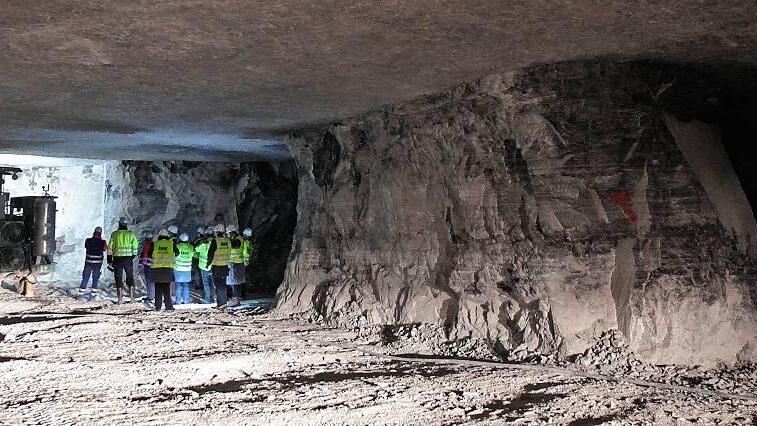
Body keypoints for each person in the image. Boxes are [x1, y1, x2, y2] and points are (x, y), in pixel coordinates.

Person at [108, 217, 139, 304]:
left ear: (119, 224)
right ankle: (132, 298)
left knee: (118, 278)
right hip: (128, 259)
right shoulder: (130, 234)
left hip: (117, 259)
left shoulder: (114, 234)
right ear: (126, 225)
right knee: (130, 278)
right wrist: (132, 257)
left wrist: (109, 260)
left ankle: (120, 299)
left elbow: (110, 248)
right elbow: (135, 247)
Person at [150, 229, 179, 311]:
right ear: (167, 236)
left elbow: (149, 254)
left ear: (159, 236)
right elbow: (177, 253)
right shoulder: (171, 244)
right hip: (167, 269)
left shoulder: (154, 244)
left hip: (157, 269)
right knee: (166, 288)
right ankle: (168, 306)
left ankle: (158, 306)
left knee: (158, 288)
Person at [79, 227, 108, 301]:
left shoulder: (88, 240)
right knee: (95, 278)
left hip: (88, 262)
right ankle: (93, 295)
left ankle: (81, 295)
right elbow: (105, 249)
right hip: (97, 264)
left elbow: (86, 246)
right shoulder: (103, 242)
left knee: (85, 277)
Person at [206, 223, 231, 308]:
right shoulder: (227, 241)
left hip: (217, 266)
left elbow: (210, 254)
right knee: (223, 285)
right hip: (225, 266)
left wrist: (208, 264)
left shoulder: (215, 241)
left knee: (218, 285)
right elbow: (229, 252)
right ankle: (224, 303)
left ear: (216, 232)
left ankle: (220, 304)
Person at [226, 225, 246, 307]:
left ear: (231, 233)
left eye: (228, 234)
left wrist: (226, 241)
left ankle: (236, 300)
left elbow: (234, 245)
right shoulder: (236, 239)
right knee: (234, 282)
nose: (228, 235)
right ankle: (235, 298)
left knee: (235, 283)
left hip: (236, 263)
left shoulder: (238, 239)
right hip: (235, 263)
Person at [195, 226, 214, 303]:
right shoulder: (215, 241)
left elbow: (196, 249)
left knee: (206, 283)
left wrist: (202, 243)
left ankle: (207, 299)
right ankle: (214, 297)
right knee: (213, 282)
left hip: (204, 266)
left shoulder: (204, 243)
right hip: (213, 265)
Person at [174, 233, 194, 305]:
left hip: (178, 268)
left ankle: (178, 301)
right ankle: (186, 301)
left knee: (178, 285)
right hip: (187, 269)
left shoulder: (177, 246)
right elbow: (192, 255)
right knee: (186, 285)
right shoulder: (191, 247)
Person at [139, 231, 155, 305]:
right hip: (154, 266)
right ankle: (154, 295)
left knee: (149, 282)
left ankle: (151, 296)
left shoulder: (146, 246)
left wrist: (140, 263)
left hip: (148, 266)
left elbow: (143, 255)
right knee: (153, 281)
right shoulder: (154, 245)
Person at [242, 228, 254, 295]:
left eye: (244, 234)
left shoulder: (245, 242)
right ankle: (247, 290)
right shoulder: (250, 243)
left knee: (243, 278)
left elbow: (245, 252)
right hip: (248, 262)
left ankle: (244, 292)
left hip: (243, 262)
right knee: (246, 276)